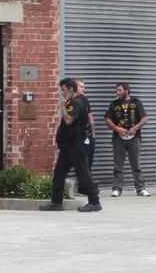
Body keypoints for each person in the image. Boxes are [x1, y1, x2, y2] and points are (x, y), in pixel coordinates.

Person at [40, 78, 101, 212]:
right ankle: (56, 202)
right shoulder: (73, 102)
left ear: (71, 89)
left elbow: (68, 120)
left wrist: (62, 106)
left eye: (63, 90)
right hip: (68, 146)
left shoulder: (77, 103)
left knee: (83, 173)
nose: (62, 93)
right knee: (59, 173)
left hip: (76, 145)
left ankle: (94, 202)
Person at [104, 82, 150, 197]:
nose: (117, 92)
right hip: (118, 138)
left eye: (119, 90)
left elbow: (145, 118)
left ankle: (140, 189)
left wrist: (135, 128)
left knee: (136, 164)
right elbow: (107, 119)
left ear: (127, 91)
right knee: (118, 165)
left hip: (134, 138)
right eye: (116, 90)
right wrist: (116, 128)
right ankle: (117, 189)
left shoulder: (136, 102)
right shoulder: (114, 104)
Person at [76, 79, 96, 169]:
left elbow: (91, 119)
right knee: (80, 162)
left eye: (84, 87)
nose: (84, 89)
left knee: (89, 161)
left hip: (88, 137)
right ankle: (83, 182)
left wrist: (93, 134)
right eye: (81, 87)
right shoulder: (72, 102)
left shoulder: (85, 100)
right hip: (78, 138)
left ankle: (86, 182)